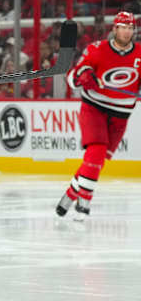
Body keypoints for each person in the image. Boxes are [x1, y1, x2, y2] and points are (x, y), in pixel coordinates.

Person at [56, 12, 141, 221]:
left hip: (122, 113)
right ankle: (83, 203)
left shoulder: (140, 52)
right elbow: (71, 76)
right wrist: (83, 76)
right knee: (96, 150)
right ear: (114, 29)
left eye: (131, 28)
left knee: (99, 161)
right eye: (123, 27)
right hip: (94, 107)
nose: (127, 31)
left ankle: (69, 195)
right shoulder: (96, 49)